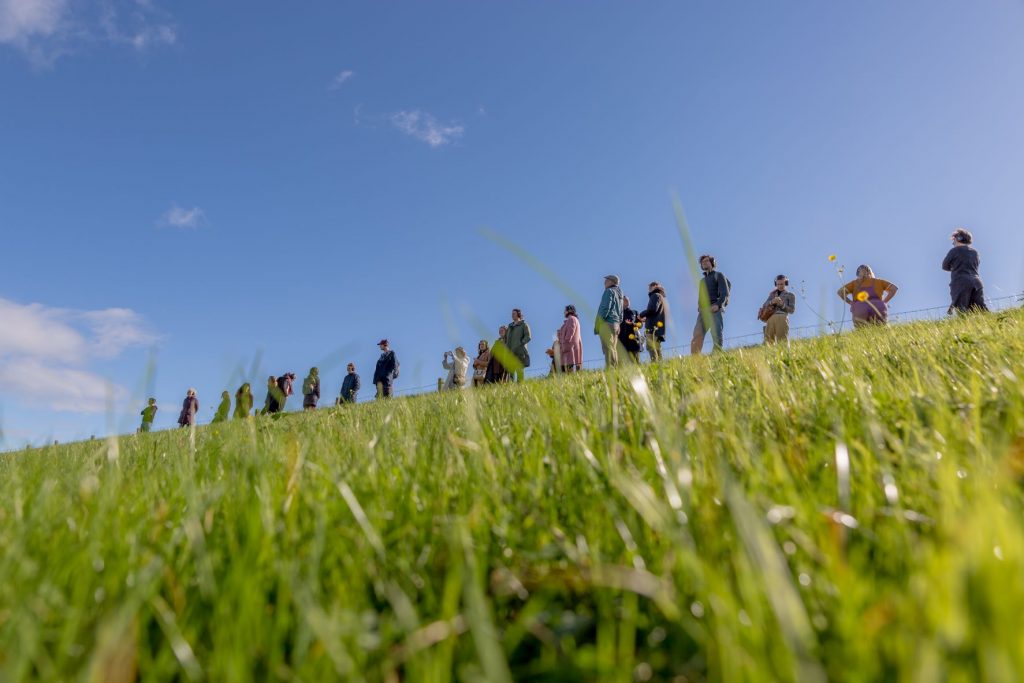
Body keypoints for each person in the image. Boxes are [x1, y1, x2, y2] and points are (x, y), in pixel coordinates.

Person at [942, 228, 988, 313]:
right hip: (977, 282)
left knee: (962, 311)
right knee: (981, 310)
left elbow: (944, 266)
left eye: (954, 240)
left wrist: (954, 267)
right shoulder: (975, 252)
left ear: (959, 238)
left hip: (961, 283)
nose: (953, 243)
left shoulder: (954, 251)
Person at [691, 255, 730, 355]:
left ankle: (716, 355)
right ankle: (695, 359)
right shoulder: (702, 281)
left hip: (715, 308)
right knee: (697, 334)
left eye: (707, 261)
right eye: (702, 262)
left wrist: (718, 304)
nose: (704, 263)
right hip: (703, 311)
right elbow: (700, 297)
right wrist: (699, 307)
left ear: (712, 262)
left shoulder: (719, 275)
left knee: (716, 333)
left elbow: (725, 292)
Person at [595, 275, 623, 367]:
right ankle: (615, 368)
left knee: (608, 348)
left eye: (606, 280)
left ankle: (611, 369)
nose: (604, 282)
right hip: (616, 324)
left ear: (612, 281)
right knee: (612, 347)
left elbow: (605, 308)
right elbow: (621, 312)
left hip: (607, 323)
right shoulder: (620, 294)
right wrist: (618, 323)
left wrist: (599, 323)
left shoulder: (609, 291)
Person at [760, 275, 796, 344]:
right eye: (778, 284)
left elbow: (792, 310)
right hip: (770, 319)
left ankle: (785, 354)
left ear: (786, 283)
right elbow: (764, 305)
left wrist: (782, 305)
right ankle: (769, 355)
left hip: (782, 318)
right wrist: (771, 302)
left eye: (782, 284)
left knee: (783, 341)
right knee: (768, 342)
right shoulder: (772, 295)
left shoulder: (791, 295)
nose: (780, 286)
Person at [640, 281, 668, 362]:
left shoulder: (655, 295)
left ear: (656, 286)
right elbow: (656, 313)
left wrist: (641, 315)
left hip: (653, 328)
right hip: (658, 328)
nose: (649, 289)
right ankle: (660, 365)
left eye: (651, 286)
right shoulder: (661, 297)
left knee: (651, 347)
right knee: (657, 348)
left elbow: (652, 309)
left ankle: (655, 364)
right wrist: (646, 319)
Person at [505, 309, 532, 382]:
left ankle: (520, 387)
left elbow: (528, 337)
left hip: (520, 352)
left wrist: (520, 343)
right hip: (510, 353)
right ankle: (511, 389)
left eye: (514, 313)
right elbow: (506, 339)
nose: (512, 315)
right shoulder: (510, 326)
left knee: (519, 371)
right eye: (512, 314)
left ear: (518, 314)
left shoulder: (524, 324)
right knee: (510, 373)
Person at [556, 305, 583, 372]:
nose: (564, 312)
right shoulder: (571, 320)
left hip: (569, 347)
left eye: (565, 310)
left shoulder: (572, 319)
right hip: (569, 347)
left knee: (567, 368)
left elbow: (571, 330)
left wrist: (566, 341)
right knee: (567, 367)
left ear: (569, 310)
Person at [618, 295, 643, 363]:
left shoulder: (635, 312)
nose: (627, 301)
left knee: (635, 362)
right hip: (622, 340)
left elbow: (640, 325)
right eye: (625, 300)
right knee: (623, 363)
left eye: (628, 300)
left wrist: (634, 324)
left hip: (634, 340)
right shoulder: (618, 314)